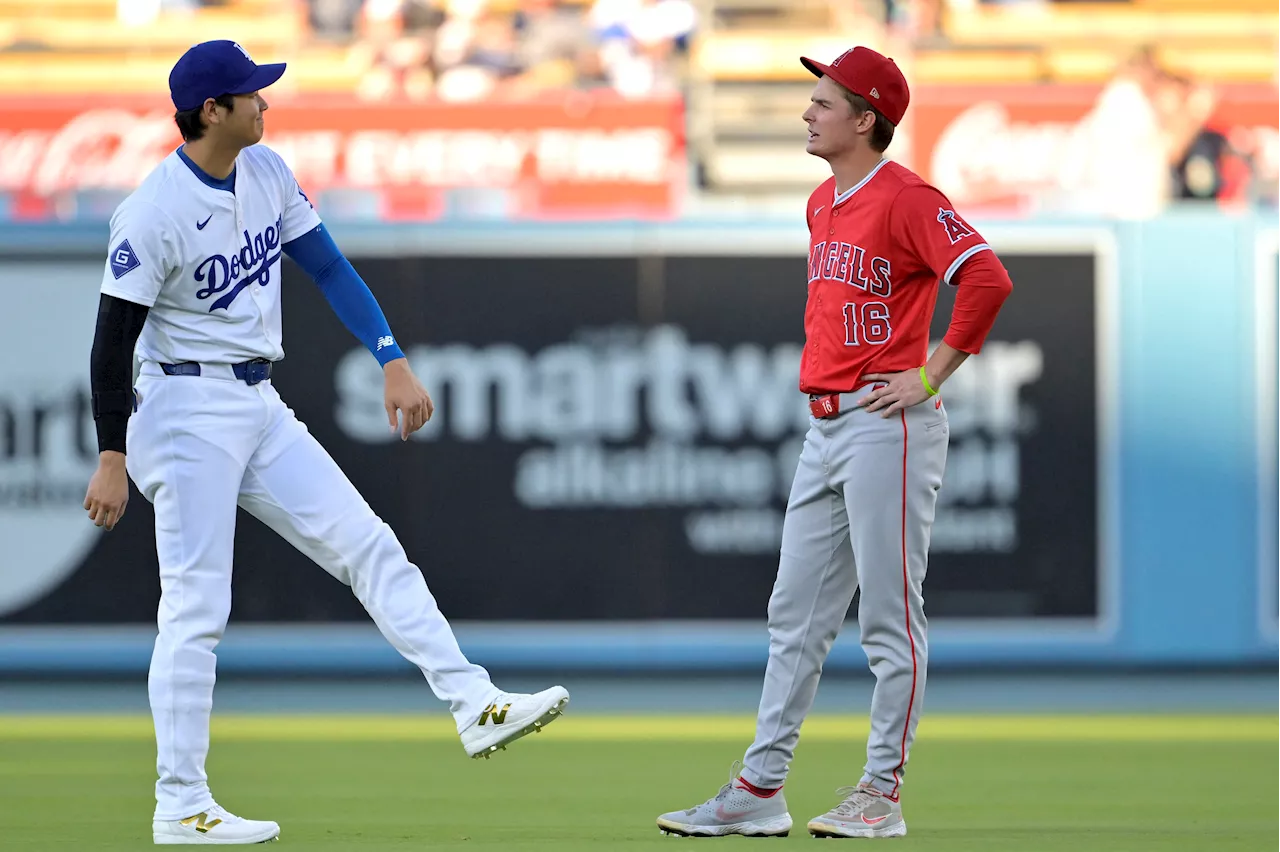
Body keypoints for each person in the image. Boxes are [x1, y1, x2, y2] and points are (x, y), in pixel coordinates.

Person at [81, 40, 569, 845]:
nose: (265, 103)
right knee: (197, 609)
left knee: (369, 545)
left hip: (255, 398)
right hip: (182, 404)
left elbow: (331, 268)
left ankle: (473, 701)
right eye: (252, 95)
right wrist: (111, 453)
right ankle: (180, 802)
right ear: (214, 112)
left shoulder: (268, 173)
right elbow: (110, 341)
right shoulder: (153, 208)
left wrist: (392, 357)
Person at [655, 45, 1013, 839]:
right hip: (825, 425)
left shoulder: (909, 196)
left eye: (824, 102)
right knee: (794, 616)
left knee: (890, 619)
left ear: (865, 119)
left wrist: (930, 376)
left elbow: (987, 278)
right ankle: (759, 787)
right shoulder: (824, 203)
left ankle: (880, 792)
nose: (808, 112)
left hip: (889, 425)